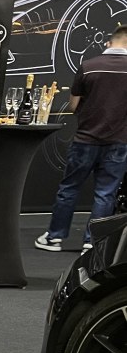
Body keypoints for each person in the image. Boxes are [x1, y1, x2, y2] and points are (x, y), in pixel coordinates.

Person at [36, 25, 127, 253]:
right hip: (119, 141)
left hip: (86, 139)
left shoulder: (88, 67)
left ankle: (54, 238)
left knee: (69, 188)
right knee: (106, 193)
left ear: (108, 43)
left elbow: (74, 104)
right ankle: (92, 242)